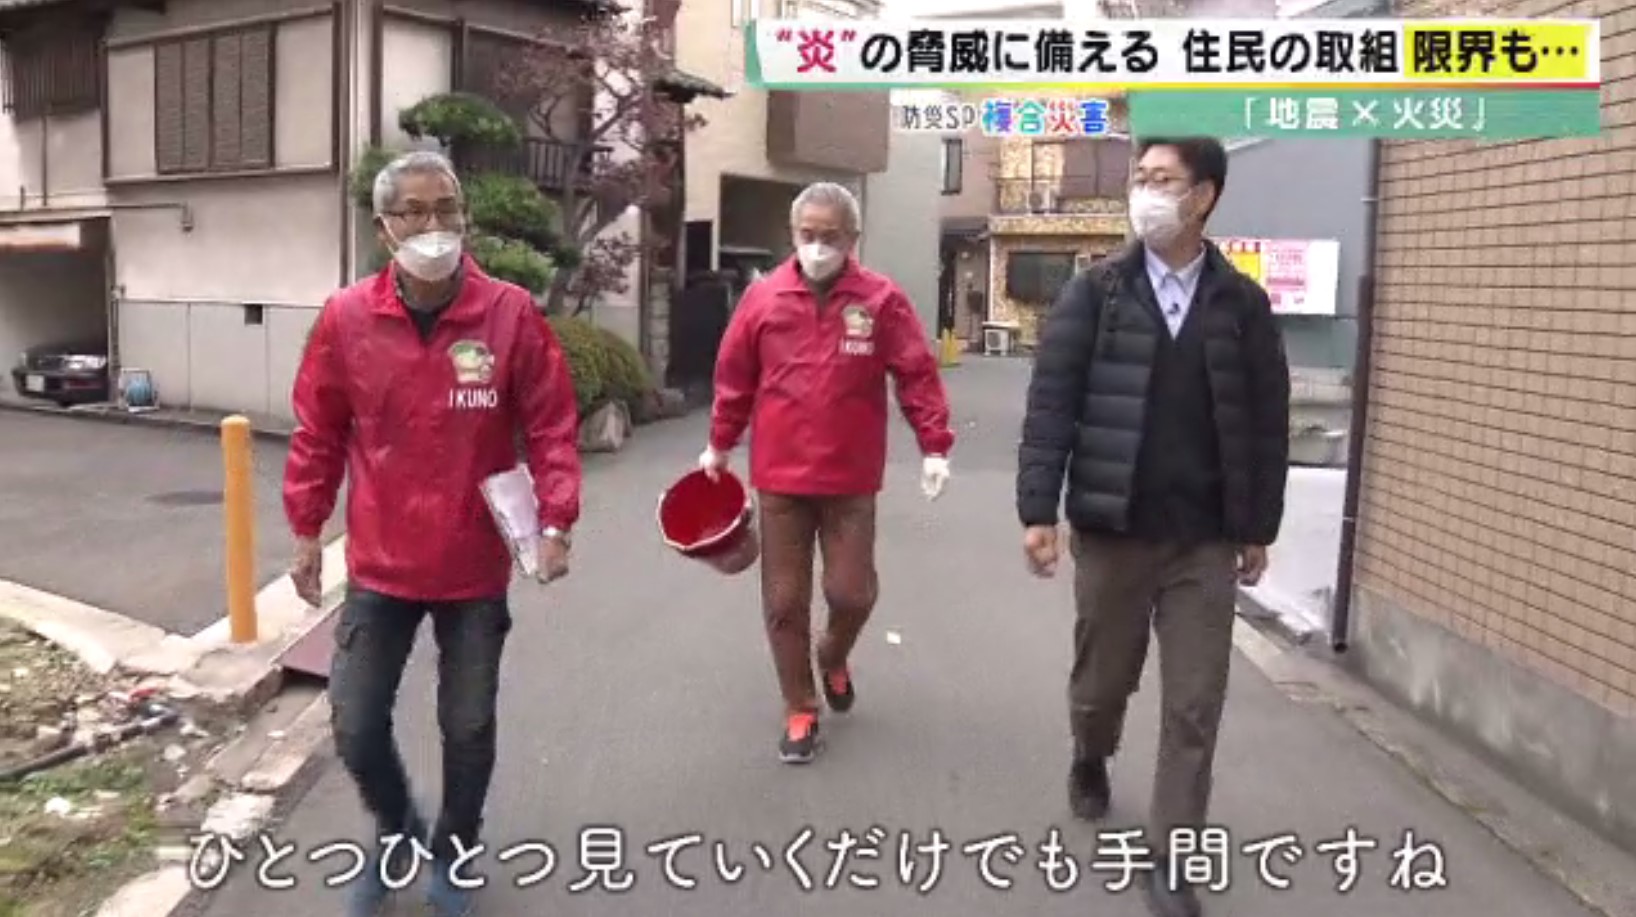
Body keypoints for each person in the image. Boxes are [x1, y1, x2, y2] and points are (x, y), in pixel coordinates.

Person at [282, 150, 582, 917]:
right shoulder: (348, 317)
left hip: (473, 562)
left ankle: (453, 848)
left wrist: (556, 520)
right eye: (413, 211)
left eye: (446, 208)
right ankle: (398, 829)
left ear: (465, 216)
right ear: (384, 227)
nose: (433, 225)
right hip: (381, 561)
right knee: (354, 721)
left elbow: (551, 423)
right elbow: (318, 430)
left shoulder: (509, 313)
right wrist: (307, 527)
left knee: (468, 724)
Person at [1014, 137, 1290, 917]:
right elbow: (1052, 404)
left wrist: (1257, 525)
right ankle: (1091, 749)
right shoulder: (1096, 292)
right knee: (1102, 683)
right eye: (1140, 178)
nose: (1145, 192)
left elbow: (1267, 422)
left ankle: (1173, 858)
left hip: (1203, 539)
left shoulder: (1241, 304)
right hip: (1114, 528)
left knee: (1195, 701)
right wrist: (1038, 511)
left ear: (1204, 196)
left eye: (1162, 179)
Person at [701, 182, 955, 764]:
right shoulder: (763, 299)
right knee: (784, 601)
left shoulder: (881, 300)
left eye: (830, 236)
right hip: (780, 478)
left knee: (851, 592)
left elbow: (916, 374)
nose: (817, 246)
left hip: (850, 479)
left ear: (853, 237)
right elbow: (734, 377)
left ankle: (833, 653)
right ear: (793, 234)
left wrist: (934, 446)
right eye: (807, 234)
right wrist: (719, 444)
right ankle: (800, 708)